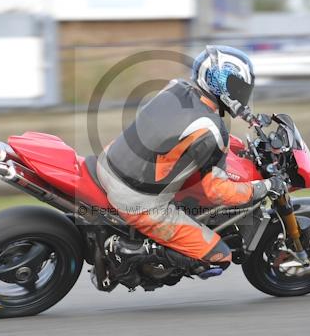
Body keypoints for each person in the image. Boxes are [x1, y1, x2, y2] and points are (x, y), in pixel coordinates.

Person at [96, 45, 285, 279]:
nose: (243, 96)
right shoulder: (211, 130)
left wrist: (234, 140)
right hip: (137, 200)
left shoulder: (176, 88)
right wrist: (265, 187)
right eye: (239, 88)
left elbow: (182, 133)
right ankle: (126, 251)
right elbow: (219, 193)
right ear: (223, 86)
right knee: (218, 257)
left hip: (108, 162)